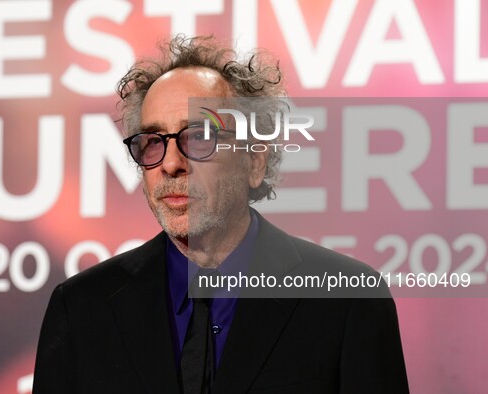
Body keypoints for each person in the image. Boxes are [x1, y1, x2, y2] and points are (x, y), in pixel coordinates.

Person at [33, 35, 409, 394]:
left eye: (198, 137)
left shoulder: (347, 301)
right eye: (153, 143)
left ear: (254, 161)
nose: (172, 164)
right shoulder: (82, 308)